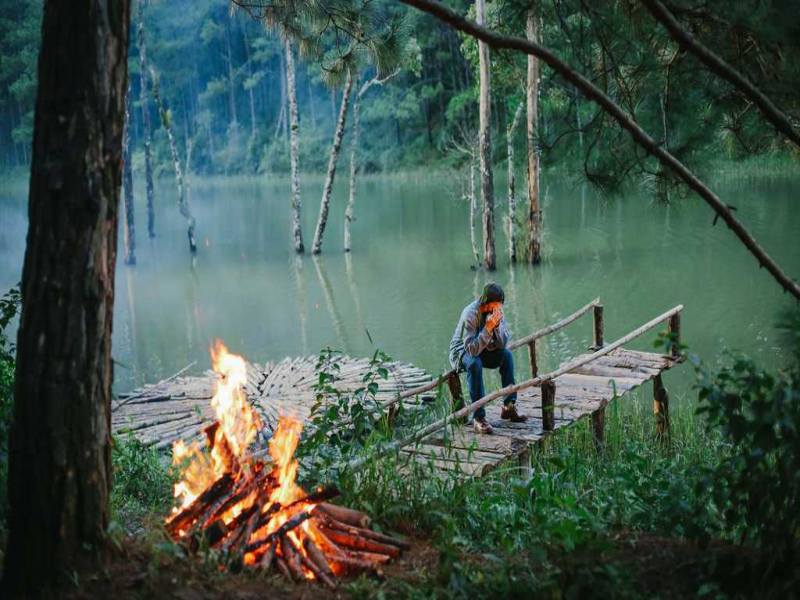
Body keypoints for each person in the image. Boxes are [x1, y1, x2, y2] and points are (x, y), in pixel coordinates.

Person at [449, 283, 528, 434]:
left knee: (506, 356)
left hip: (481, 348)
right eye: (496, 305)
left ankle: (509, 406)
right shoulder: (470, 314)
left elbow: (503, 344)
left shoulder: (497, 311)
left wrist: (496, 327)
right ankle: (479, 417)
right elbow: (471, 350)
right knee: (475, 363)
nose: (499, 308)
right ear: (487, 302)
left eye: (500, 305)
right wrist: (488, 328)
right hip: (460, 352)